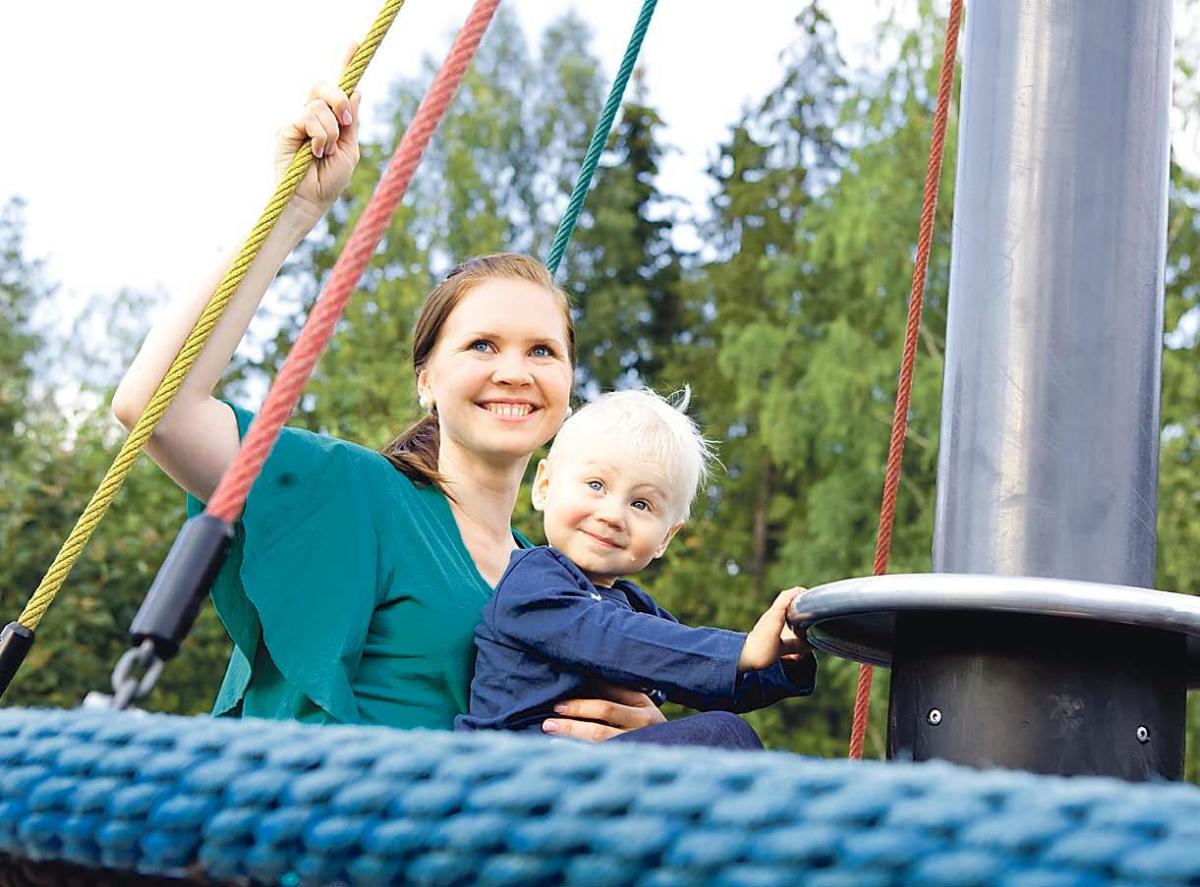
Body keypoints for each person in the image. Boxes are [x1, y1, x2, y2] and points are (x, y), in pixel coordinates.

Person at [111, 79, 666, 739]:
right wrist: (292, 211)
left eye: (543, 351)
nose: (514, 372)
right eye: (482, 344)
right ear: (426, 379)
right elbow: (156, 406)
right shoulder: (356, 495)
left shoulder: (560, 576)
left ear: (569, 388)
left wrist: (638, 738)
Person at [456, 388, 816, 749]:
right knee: (720, 736)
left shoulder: (636, 607)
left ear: (665, 538)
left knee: (719, 733)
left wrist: (781, 660)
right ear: (545, 487)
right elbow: (612, 637)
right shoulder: (533, 582)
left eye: (641, 504)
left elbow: (701, 675)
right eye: (596, 485)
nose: (612, 515)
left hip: (584, 776)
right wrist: (742, 649)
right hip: (509, 770)